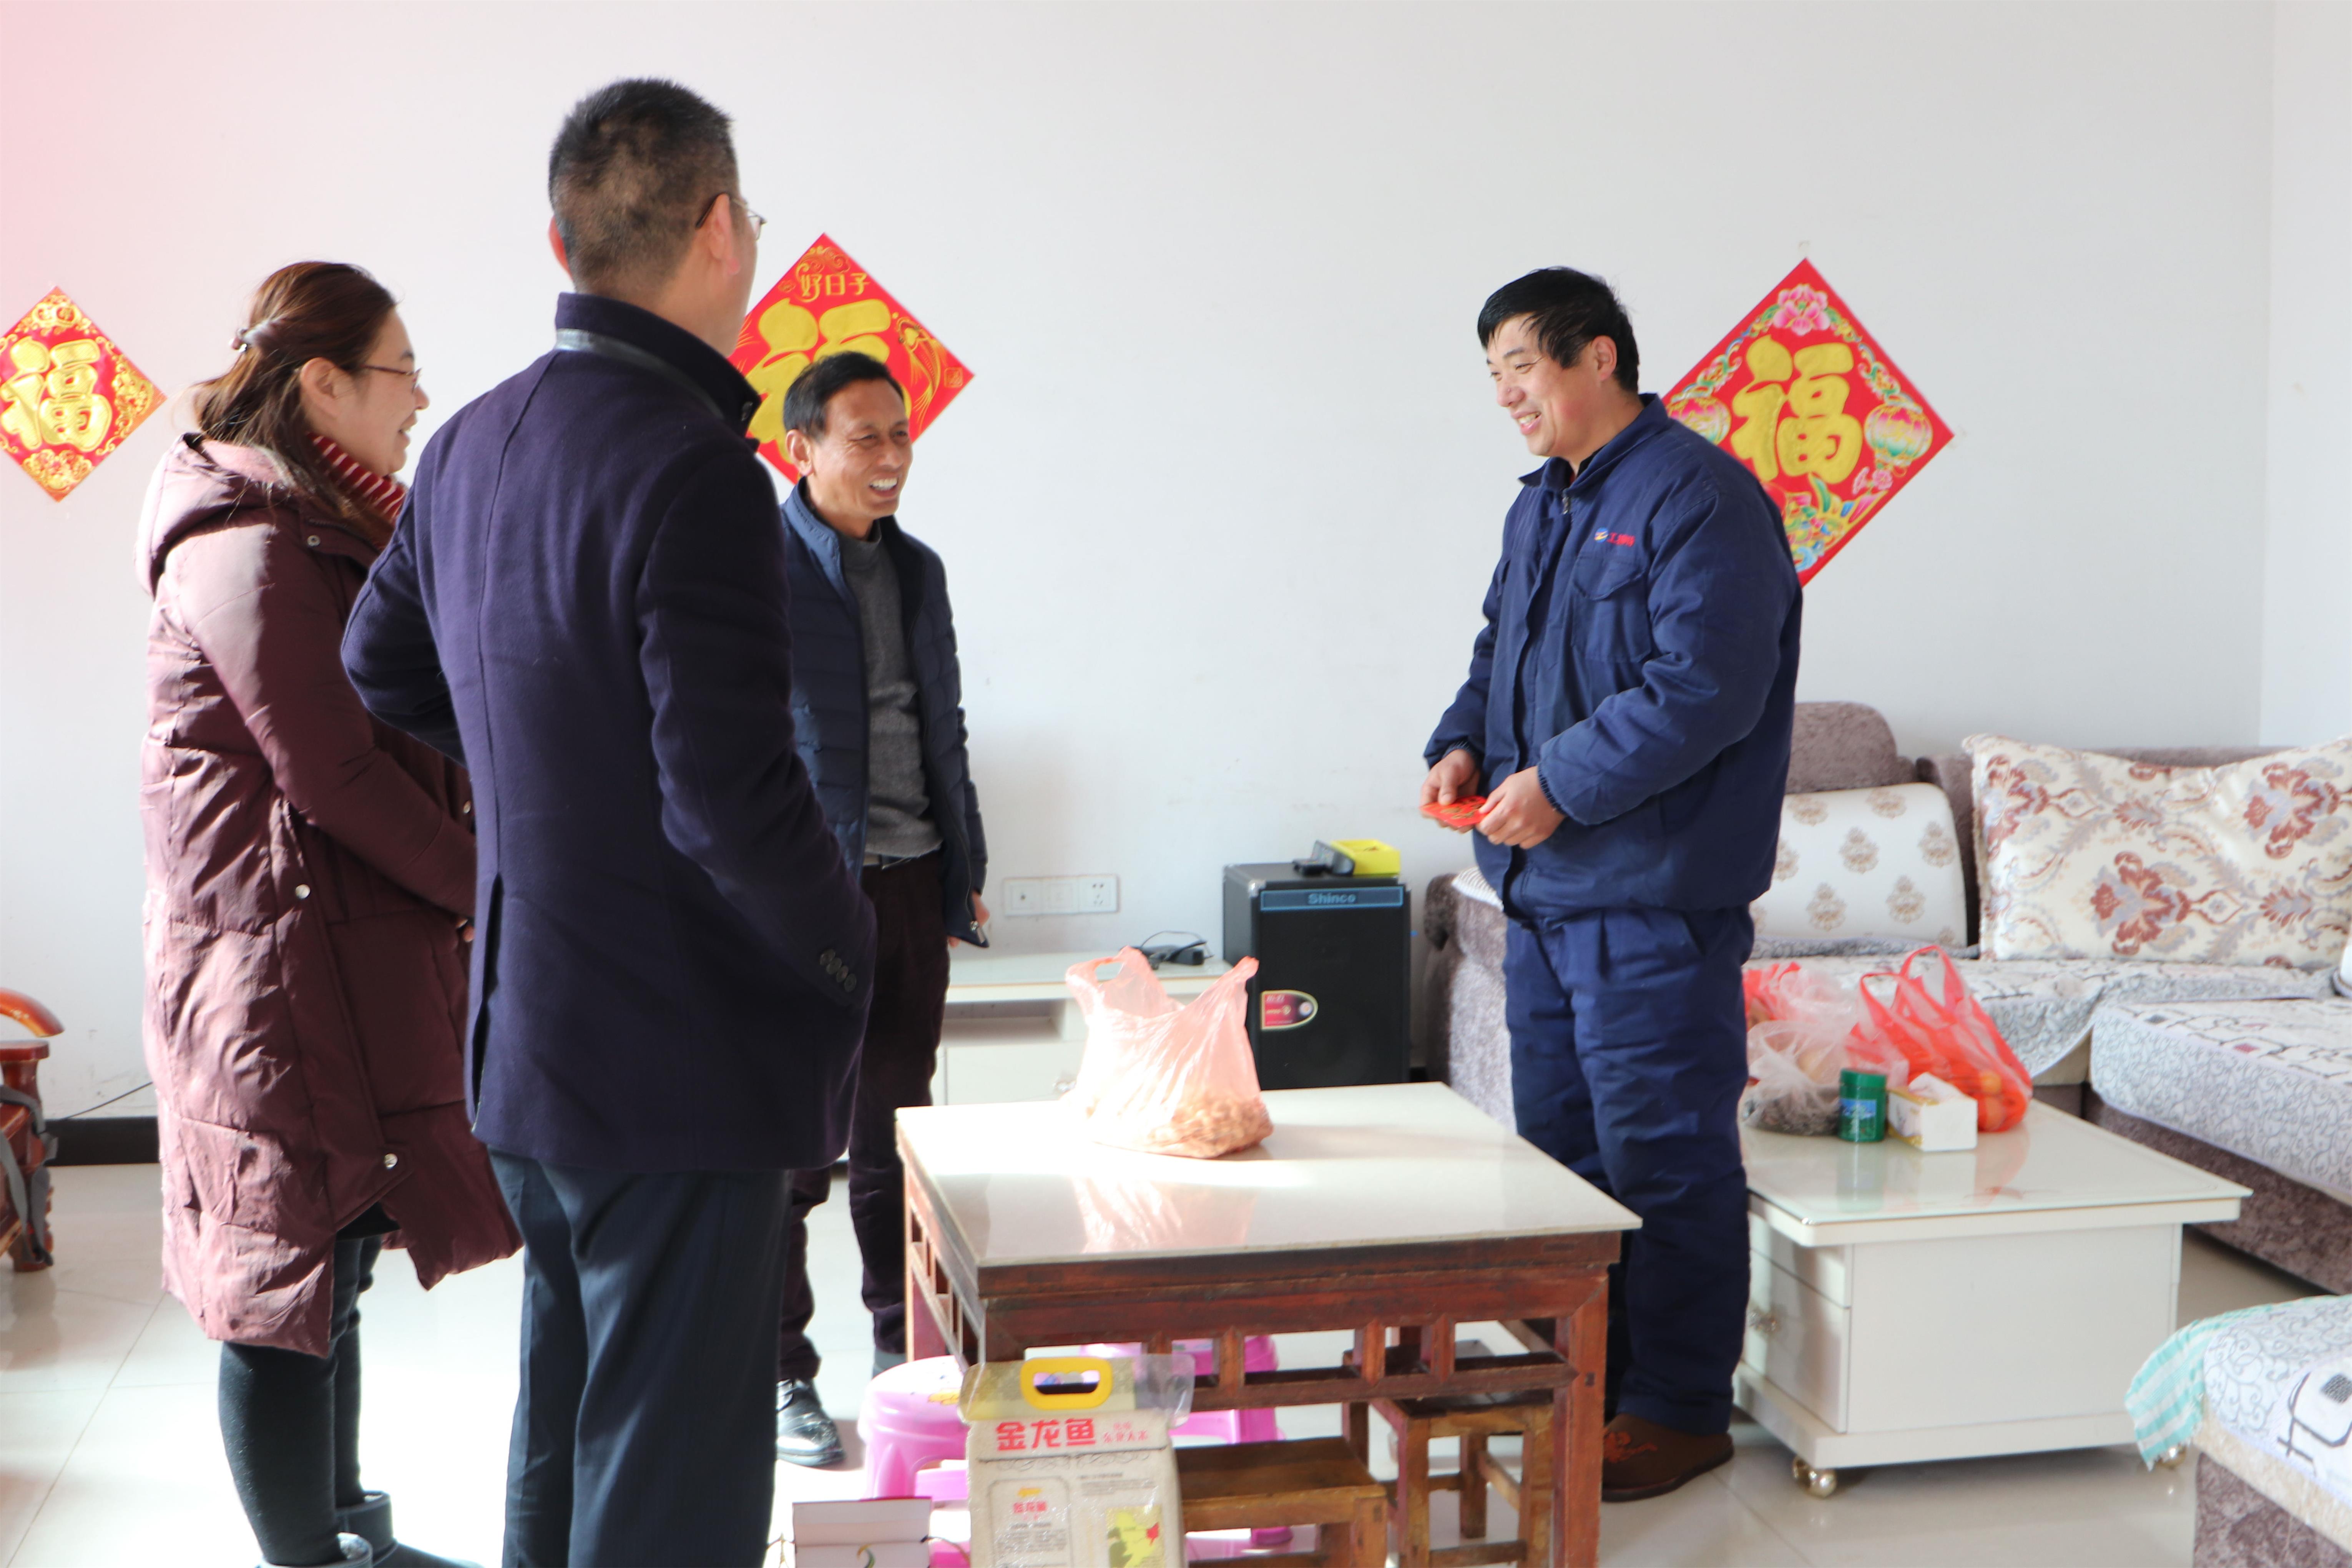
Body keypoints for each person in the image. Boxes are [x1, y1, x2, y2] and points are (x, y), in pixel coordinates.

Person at [341, 78, 873, 1566]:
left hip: (528, 1041)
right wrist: (846, 952)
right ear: (719, 229)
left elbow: (378, 664)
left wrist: (543, 774)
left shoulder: (471, 441)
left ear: (561, 242)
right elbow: (730, 801)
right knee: (669, 1487)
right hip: (674, 1059)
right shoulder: (697, 465)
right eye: (747, 220)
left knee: (573, 1432)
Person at [138, 261, 519, 1568]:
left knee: (335, 1253)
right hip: (268, 978)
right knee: (280, 1283)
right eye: (401, 372)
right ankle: (307, 1557)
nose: (419, 399)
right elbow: (333, 772)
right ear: (323, 384)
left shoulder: (319, 526)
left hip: (324, 959)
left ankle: (347, 1532)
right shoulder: (246, 544)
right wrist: (495, 887)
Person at [1421, 267, 1801, 1502]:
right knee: (1568, 1160)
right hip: (1546, 897)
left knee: (1665, 1156)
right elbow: (1500, 651)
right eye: (1492, 374)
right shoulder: (1544, 505)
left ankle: (1679, 1409)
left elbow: (1707, 689)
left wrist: (1562, 785)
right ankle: (1587, 1380)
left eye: (1521, 367)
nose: (1505, 395)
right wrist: (1463, 743)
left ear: (1598, 358)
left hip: (1651, 900)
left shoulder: (1701, 497)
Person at [767, 352, 990, 1467]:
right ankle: (780, 1375)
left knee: (898, 1141)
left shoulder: (920, 569)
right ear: (800, 450)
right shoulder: (758, 568)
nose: (894, 456)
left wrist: (963, 862)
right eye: (867, 437)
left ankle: (906, 1361)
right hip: (808, 891)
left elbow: (942, 722)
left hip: (910, 878)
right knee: (790, 1152)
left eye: (902, 434)